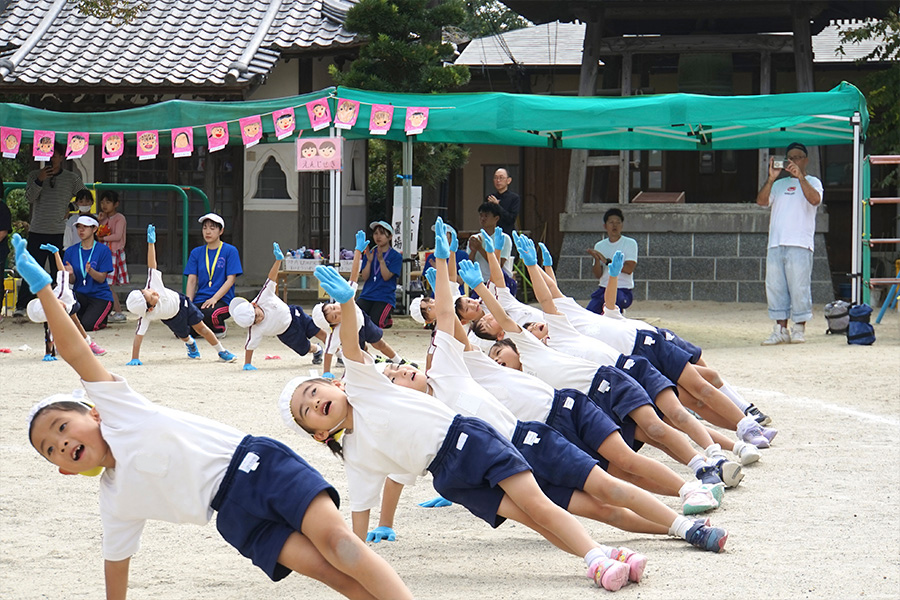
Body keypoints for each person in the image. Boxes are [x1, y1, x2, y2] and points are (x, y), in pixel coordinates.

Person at [12, 233, 414, 600]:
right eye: (52, 449)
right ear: (63, 470)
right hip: (233, 516)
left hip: (257, 467)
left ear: (94, 412)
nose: (61, 442)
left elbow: (75, 352)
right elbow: (116, 564)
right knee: (331, 573)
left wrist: (45, 290)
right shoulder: (115, 499)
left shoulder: (120, 412)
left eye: (61, 427)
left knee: (341, 547)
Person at [284, 264, 643, 592]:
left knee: (537, 503)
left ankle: (597, 558)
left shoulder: (366, 387)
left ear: (337, 385)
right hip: (448, 478)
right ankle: (604, 553)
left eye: (314, 390)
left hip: (470, 439)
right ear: (318, 434)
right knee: (529, 517)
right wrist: (355, 568)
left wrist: (348, 304)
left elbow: (351, 342)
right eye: (307, 409)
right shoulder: (355, 455)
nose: (315, 402)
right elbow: (359, 519)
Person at [376, 222, 728, 555]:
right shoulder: (439, 395)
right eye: (395, 377)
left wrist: (446, 260)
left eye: (398, 368)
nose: (402, 371)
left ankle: (691, 493)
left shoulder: (459, 365)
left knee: (621, 468)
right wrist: (386, 522)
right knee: (607, 501)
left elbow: (451, 314)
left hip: (553, 421)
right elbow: (407, 466)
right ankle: (679, 527)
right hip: (516, 457)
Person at [125, 225, 237, 365]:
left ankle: (221, 351)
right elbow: (138, 337)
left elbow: (152, 264)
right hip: (171, 318)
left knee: (201, 328)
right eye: (151, 298)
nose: (153, 292)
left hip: (184, 304)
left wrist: (151, 243)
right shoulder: (146, 317)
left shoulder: (152, 283)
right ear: (150, 309)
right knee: (183, 336)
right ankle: (190, 343)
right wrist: (135, 358)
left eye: (147, 291)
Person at [312, 230, 408, 376]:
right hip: (352, 334)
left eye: (332, 308)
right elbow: (328, 352)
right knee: (357, 355)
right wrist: (326, 372)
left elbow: (354, 275)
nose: (337, 311)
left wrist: (358, 251)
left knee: (379, 343)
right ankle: (357, 370)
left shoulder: (345, 298)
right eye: (334, 317)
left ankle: (399, 360)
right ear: (333, 325)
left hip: (363, 321)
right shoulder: (337, 331)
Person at [756, 142, 823, 345]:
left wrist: (800, 177)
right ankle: (780, 329)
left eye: (797, 157)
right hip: (776, 242)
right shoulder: (778, 184)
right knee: (775, 287)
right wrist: (771, 178)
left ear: (806, 160)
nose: (793, 161)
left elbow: (815, 199)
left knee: (799, 287)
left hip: (800, 242)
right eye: (790, 158)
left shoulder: (813, 181)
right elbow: (761, 201)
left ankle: (799, 328)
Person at [14, 143, 88, 316]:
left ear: (62, 157)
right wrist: (40, 179)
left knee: (60, 272)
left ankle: (62, 305)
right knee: (32, 267)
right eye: (47, 155)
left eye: (54, 155)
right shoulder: (34, 175)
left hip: (60, 231)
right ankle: (22, 305)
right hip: (38, 228)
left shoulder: (71, 178)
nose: (51, 158)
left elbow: (84, 197)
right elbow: (29, 197)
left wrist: (69, 206)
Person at [229, 241, 325, 371]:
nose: (259, 319)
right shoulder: (255, 329)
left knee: (319, 332)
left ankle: (340, 354)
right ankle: (317, 349)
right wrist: (247, 363)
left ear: (254, 305)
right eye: (255, 321)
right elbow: (249, 346)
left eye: (257, 315)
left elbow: (271, 278)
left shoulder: (263, 297)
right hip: (286, 333)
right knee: (305, 349)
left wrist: (278, 260)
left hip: (295, 315)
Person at [25, 242, 104, 358]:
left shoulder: (61, 290)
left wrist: (56, 253)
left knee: (76, 323)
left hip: (71, 303)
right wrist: (48, 353)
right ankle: (58, 348)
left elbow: (61, 271)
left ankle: (90, 344)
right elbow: (49, 334)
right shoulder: (50, 313)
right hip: (61, 308)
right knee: (55, 330)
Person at [184, 213, 242, 337]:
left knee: (210, 313)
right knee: (183, 320)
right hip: (201, 299)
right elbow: (192, 280)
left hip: (222, 300)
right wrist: (189, 303)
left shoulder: (230, 251)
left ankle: (219, 328)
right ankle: (201, 330)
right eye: (205, 228)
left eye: (212, 228)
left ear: (221, 231)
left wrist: (215, 298)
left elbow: (230, 280)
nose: (207, 232)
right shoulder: (196, 252)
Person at [63, 215, 114, 332]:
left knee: (86, 326)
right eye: (79, 227)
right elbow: (72, 281)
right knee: (69, 323)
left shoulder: (103, 250)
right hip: (80, 295)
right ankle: (90, 315)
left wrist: (90, 271)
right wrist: (70, 274)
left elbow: (101, 279)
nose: (81, 230)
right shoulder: (71, 251)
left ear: (94, 229)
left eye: (85, 227)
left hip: (100, 296)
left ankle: (100, 318)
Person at [586, 208, 638, 313]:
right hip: (603, 289)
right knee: (589, 313)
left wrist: (606, 261)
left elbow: (629, 269)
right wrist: (596, 259)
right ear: (605, 226)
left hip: (622, 290)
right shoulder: (600, 245)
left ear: (622, 225)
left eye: (618, 222)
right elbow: (598, 274)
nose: (615, 226)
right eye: (611, 223)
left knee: (614, 303)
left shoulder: (630, 243)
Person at [357, 220, 401, 329]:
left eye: (382, 233)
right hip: (367, 294)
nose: (378, 237)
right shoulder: (370, 253)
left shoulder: (395, 256)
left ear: (390, 237)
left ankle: (387, 319)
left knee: (375, 323)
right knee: (356, 317)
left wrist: (381, 261)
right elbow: (365, 277)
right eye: (376, 233)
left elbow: (386, 277)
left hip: (384, 297)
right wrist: (369, 261)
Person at [467, 202, 516, 296]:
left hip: (500, 284)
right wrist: (473, 251)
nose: (482, 219)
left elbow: (499, 265)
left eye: (486, 216)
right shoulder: (475, 238)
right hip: (480, 282)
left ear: (496, 218)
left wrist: (480, 249)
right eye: (481, 216)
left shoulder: (503, 238)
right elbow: (469, 264)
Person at [97, 191, 128, 323]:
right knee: (105, 284)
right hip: (105, 253)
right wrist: (100, 220)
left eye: (108, 202)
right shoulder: (103, 218)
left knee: (108, 284)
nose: (104, 205)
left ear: (116, 204)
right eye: (102, 202)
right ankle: (112, 311)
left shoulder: (119, 218)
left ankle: (118, 311)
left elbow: (118, 236)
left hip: (114, 253)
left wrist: (102, 238)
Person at [486, 168, 521, 233]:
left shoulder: (514, 198)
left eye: (501, 178)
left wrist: (497, 206)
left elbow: (511, 219)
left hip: (507, 234)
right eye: (495, 178)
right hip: (491, 233)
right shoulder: (490, 198)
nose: (498, 180)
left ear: (509, 180)